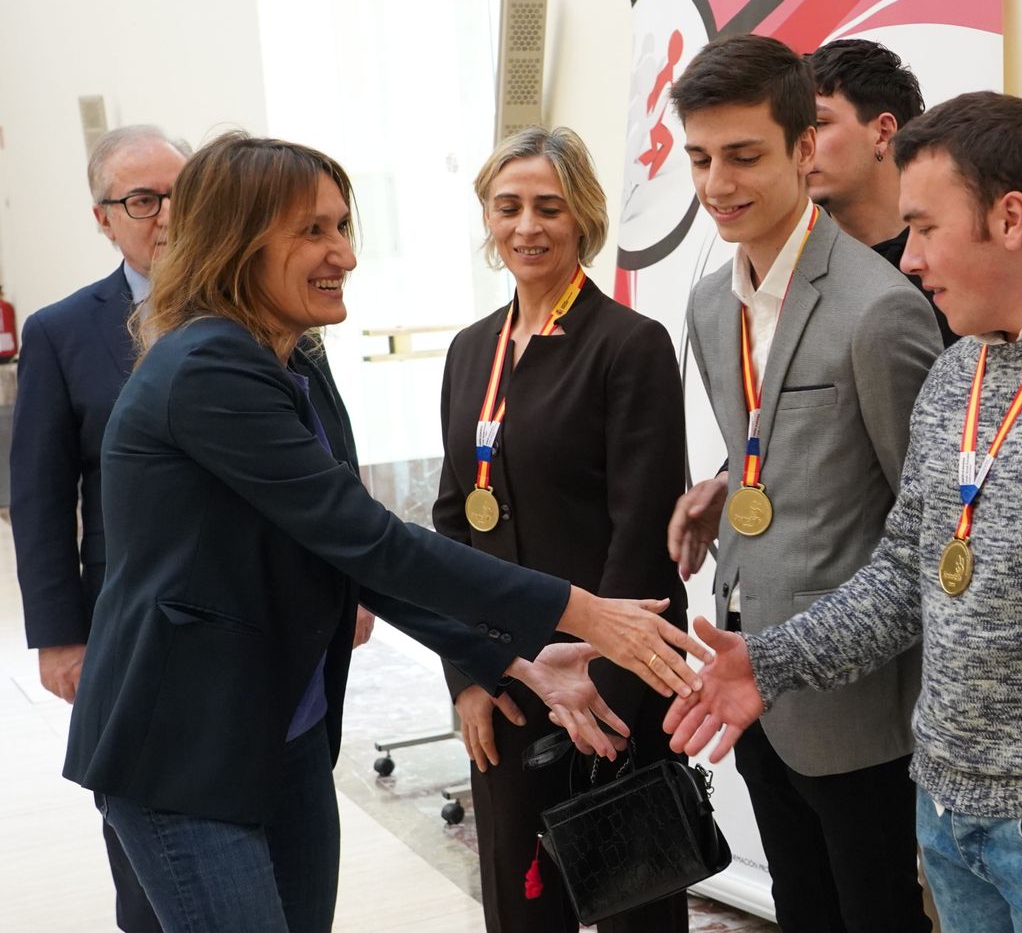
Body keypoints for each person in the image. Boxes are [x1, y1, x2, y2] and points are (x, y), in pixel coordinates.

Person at [61, 132, 708, 933]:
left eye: (343, 226)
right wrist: (582, 612)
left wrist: (510, 660)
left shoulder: (289, 362)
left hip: (283, 730)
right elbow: (372, 539)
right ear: (239, 240)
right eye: (314, 231)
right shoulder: (207, 369)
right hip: (186, 746)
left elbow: (346, 553)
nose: (346, 254)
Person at [668, 91, 1022, 933]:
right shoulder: (960, 371)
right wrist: (773, 661)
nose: (908, 260)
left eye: (925, 228)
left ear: (1010, 218)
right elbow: (907, 571)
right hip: (947, 815)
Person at [665, 33, 942, 933]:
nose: (718, 183)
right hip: (746, 665)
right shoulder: (709, 304)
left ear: (802, 147)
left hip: (858, 695)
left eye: (744, 155)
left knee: (877, 915)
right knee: (801, 910)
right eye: (701, 158)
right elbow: (766, 447)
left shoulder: (882, 306)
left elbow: (926, 521)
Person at [434, 126, 689, 933]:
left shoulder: (628, 345)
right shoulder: (470, 351)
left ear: (583, 217)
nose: (527, 226)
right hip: (509, 681)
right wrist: (469, 673)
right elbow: (451, 524)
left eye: (548, 206)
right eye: (507, 206)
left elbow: (642, 536)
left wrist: (601, 689)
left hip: (613, 684)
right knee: (522, 906)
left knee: (635, 908)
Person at [10, 124, 188, 932]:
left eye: (182, 194)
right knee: (145, 836)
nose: (167, 214)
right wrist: (60, 635)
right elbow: (41, 495)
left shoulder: (250, 305)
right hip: (126, 618)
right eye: (143, 199)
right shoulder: (61, 331)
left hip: (249, 616)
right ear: (103, 218)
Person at [806, 38, 957, 345]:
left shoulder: (960, 258)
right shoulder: (792, 267)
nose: (800, 147)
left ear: (883, 132)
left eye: (818, 124)